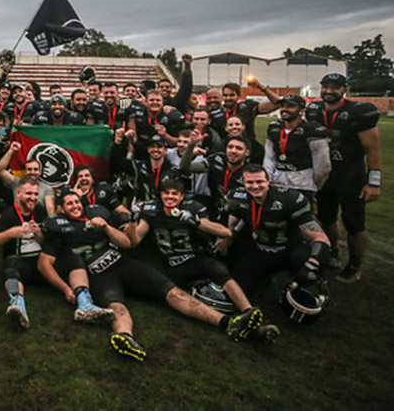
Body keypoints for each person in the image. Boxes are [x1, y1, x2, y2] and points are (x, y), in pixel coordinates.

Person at [41, 191, 264, 361]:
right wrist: (66, 289)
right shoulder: (56, 230)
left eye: (77, 201)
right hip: (98, 275)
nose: (75, 205)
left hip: (123, 264)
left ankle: (227, 323)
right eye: (69, 203)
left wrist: (107, 228)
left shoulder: (97, 216)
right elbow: (44, 264)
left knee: (172, 292)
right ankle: (124, 337)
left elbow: (127, 242)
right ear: (61, 209)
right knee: (116, 304)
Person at [126, 178, 258, 314]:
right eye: (166, 193)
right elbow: (134, 240)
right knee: (161, 292)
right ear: (160, 194)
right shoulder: (151, 210)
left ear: (182, 196)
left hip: (196, 258)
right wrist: (132, 220)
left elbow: (226, 232)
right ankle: (224, 319)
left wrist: (196, 221)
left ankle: (248, 309)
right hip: (172, 264)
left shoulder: (193, 207)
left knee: (220, 271)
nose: (170, 197)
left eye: (174, 193)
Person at [305, 73, 381, 282]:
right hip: (324, 174)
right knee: (326, 217)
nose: (329, 91)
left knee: (354, 223)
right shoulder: (314, 109)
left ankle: (355, 264)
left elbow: (372, 148)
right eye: (325, 87)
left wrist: (373, 181)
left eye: (335, 87)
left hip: (350, 174)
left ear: (344, 89)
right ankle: (333, 252)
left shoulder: (358, 111)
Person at [215, 165, 332, 294]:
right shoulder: (237, 197)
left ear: (268, 181)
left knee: (303, 261)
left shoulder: (289, 199)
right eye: (249, 182)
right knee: (238, 287)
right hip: (260, 250)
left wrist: (312, 264)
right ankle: (263, 278)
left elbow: (320, 238)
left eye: (259, 181)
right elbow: (232, 225)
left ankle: (310, 283)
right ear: (243, 183)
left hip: (288, 250)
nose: (255, 186)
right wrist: (227, 238)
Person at [0, 178, 48, 330]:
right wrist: (10, 233)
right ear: (18, 193)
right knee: (11, 266)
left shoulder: (39, 210)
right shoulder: (9, 215)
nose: (33, 197)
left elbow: (48, 242)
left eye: (35, 194)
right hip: (20, 265)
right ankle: (18, 306)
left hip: (41, 264)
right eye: (29, 193)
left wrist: (39, 234)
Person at [263, 94, 331, 201]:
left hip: (302, 184)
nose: (285, 109)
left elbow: (323, 164)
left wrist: (314, 184)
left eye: (290, 106)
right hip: (277, 183)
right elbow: (269, 157)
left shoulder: (313, 130)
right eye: (283, 106)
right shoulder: (274, 128)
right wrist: (268, 178)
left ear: (301, 110)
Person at [0, 141, 56, 214]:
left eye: (35, 169)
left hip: (37, 221)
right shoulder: (17, 182)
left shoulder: (47, 188)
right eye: (29, 169)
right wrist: (11, 150)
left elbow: (50, 209)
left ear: (40, 172)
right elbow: (0, 170)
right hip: (17, 220)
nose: (32, 172)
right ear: (24, 172)